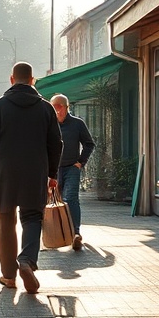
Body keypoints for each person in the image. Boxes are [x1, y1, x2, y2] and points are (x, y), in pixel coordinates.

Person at [0, 62, 62, 294]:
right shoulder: (46, 108)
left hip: (5, 171)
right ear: (32, 80)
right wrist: (52, 173)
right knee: (32, 217)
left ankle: (9, 276)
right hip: (35, 171)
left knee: (5, 220)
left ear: (12, 79)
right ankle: (26, 261)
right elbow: (56, 144)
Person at [51, 93, 95, 251]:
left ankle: (76, 233)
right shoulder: (48, 124)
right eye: (54, 108)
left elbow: (89, 144)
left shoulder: (77, 123)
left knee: (71, 198)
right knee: (52, 201)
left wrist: (81, 162)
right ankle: (55, 234)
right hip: (53, 169)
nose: (57, 111)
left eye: (59, 107)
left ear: (66, 107)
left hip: (71, 167)